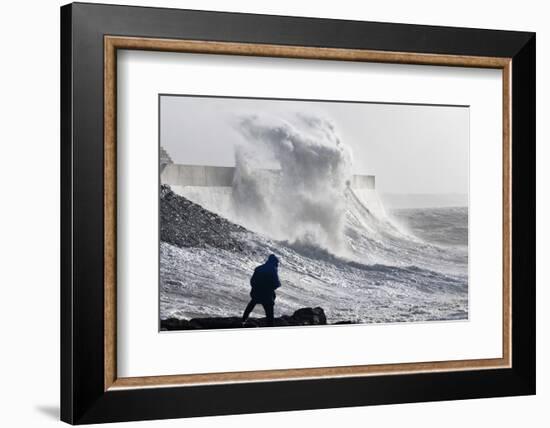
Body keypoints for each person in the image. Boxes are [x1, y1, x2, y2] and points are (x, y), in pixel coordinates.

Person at [242, 254, 281, 327]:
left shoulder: (259, 268)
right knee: (269, 313)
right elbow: (276, 284)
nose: (277, 265)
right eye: (277, 263)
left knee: (252, 304)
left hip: (256, 293)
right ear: (274, 262)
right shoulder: (273, 269)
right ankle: (270, 326)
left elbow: (252, 281)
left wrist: (256, 289)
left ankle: (243, 319)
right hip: (267, 295)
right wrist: (271, 288)